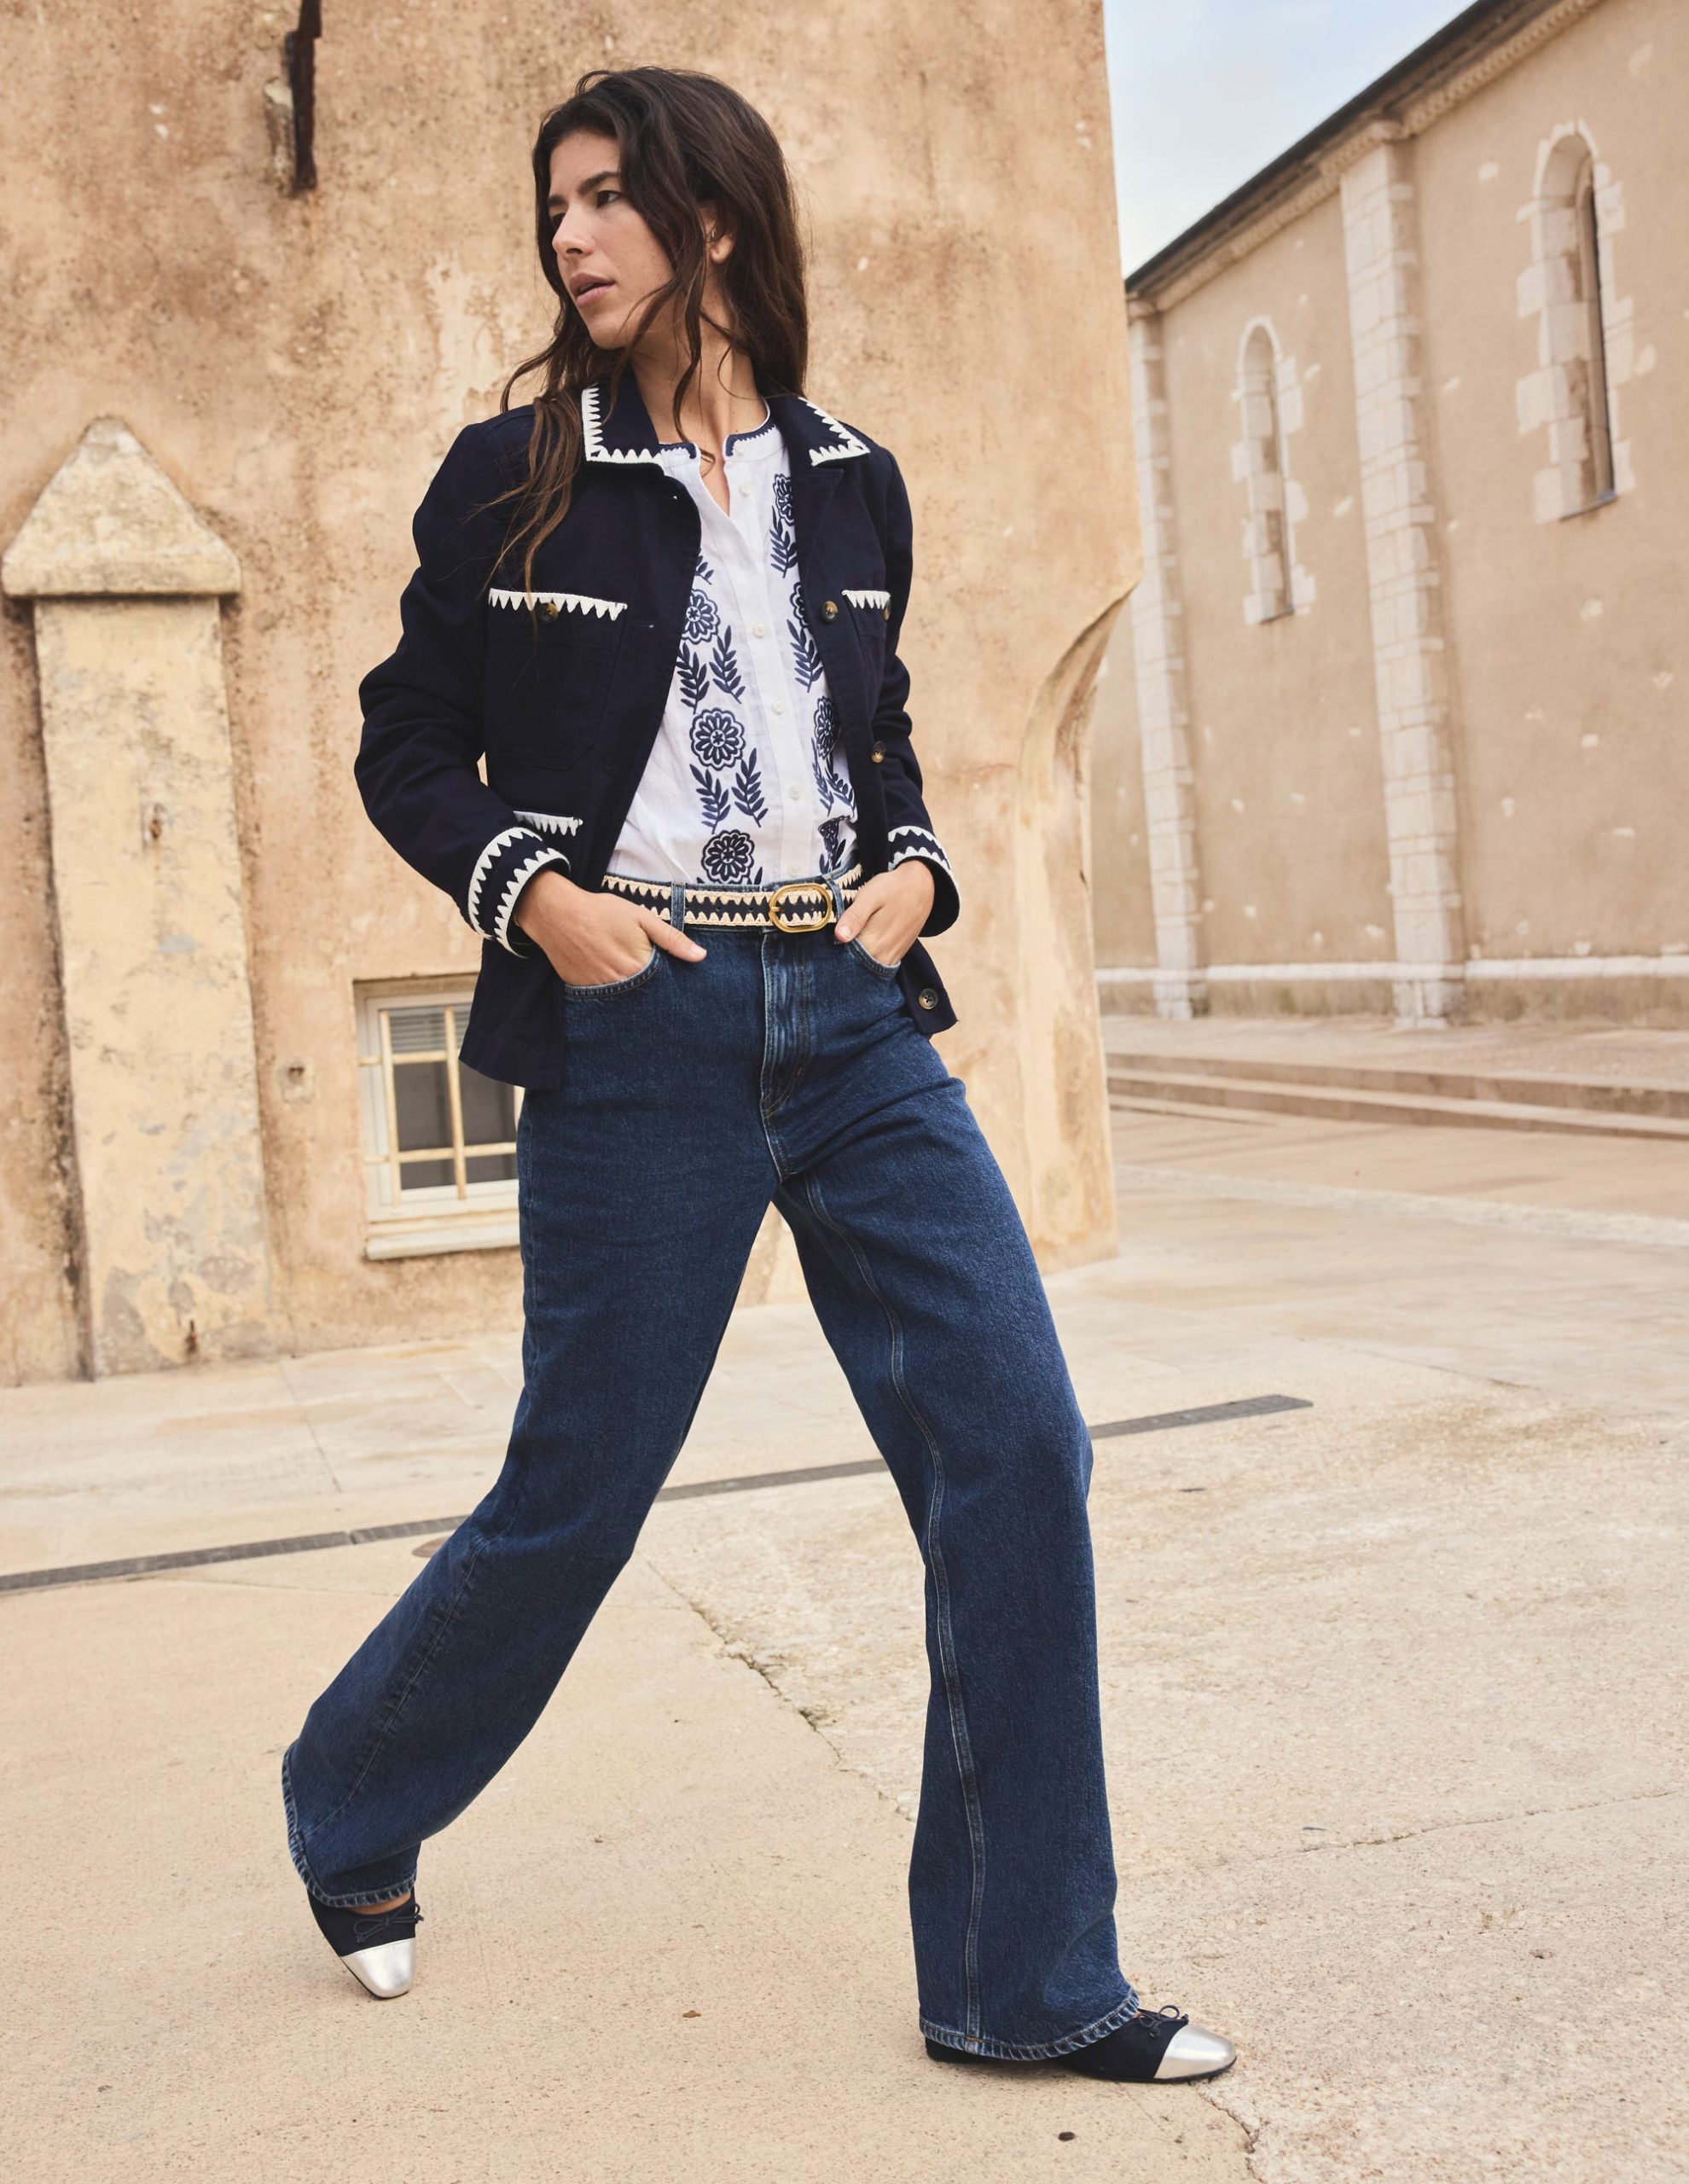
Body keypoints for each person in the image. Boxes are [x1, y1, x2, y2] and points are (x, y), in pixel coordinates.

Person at [282, 64, 1234, 2086]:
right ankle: (351, 1796)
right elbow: (407, 741)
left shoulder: (853, 475)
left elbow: (875, 740)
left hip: (858, 1017)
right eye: (555, 208)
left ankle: (1027, 1977)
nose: (571, 237)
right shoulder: (514, 474)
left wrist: (922, 871)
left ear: (712, 218)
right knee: (581, 1490)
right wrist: (537, 897)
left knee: (1017, 1443)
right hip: (640, 1016)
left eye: (608, 198)